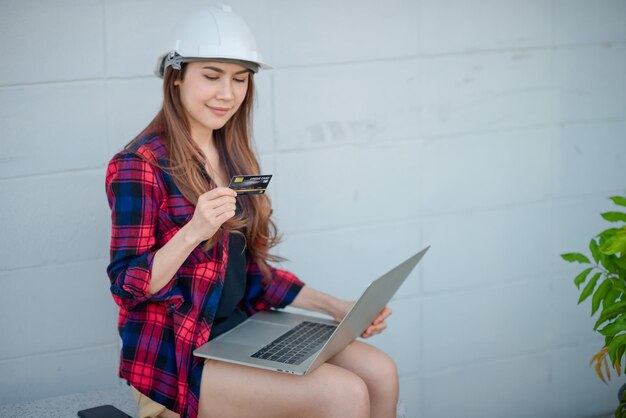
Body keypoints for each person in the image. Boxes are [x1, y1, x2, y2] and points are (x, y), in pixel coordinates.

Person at [105, 6, 398, 418]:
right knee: (343, 394)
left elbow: (251, 276)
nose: (228, 93)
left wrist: (337, 307)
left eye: (240, 79)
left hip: (239, 327)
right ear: (176, 77)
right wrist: (193, 231)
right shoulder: (140, 164)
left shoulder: (232, 155)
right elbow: (126, 285)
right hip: (177, 355)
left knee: (379, 371)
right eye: (211, 76)